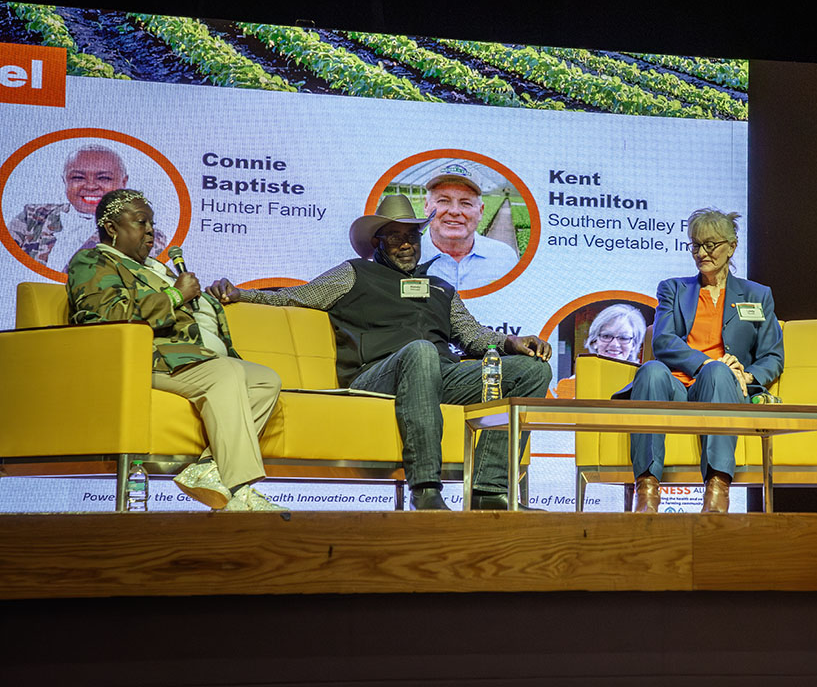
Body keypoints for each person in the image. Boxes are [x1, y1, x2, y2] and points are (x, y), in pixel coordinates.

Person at [208, 195, 552, 510]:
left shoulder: (441, 288)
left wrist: (511, 344)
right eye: (395, 237)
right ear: (378, 244)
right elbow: (295, 297)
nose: (406, 244)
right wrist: (240, 294)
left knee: (533, 370)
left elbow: (472, 335)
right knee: (419, 352)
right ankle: (426, 488)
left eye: (412, 237)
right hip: (377, 375)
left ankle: (489, 492)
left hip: (439, 375)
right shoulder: (354, 274)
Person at [66, 189, 285, 512]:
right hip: (145, 361)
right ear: (111, 228)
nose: (151, 231)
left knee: (265, 380)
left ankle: (207, 468)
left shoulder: (157, 267)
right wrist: (173, 295)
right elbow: (105, 316)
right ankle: (240, 489)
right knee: (223, 375)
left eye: (152, 223)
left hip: (188, 360)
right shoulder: (94, 261)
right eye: (141, 222)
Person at [618, 208, 784, 513]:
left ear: (732, 246)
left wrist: (747, 376)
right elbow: (664, 340)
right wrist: (705, 363)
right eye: (695, 245)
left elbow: (772, 355)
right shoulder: (674, 288)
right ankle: (647, 490)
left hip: (723, 387)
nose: (701, 253)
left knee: (720, 373)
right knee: (651, 370)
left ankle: (717, 490)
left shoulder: (757, 295)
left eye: (710, 245)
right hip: (678, 386)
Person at [7, 144, 168, 271]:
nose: (90, 186)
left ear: (123, 183)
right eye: (78, 177)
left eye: (104, 178)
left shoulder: (145, 236)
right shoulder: (32, 217)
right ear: (65, 181)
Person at [418, 162, 519, 290]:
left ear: (481, 211)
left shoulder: (504, 258)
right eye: (443, 200)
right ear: (426, 206)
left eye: (466, 203)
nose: (454, 211)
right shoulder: (402, 259)